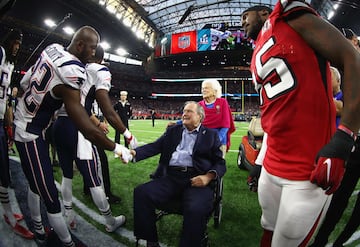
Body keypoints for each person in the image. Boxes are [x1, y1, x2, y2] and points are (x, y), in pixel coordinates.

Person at [242, 2, 360, 246]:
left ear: (264, 13)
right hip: (273, 159)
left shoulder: (287, 16)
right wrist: (261, 162)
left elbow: (352, 58)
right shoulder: (256, 51)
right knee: (268, 228)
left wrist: (346, 134)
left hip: (307, 167)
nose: (242, 22)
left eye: (246, 16)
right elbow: (274, 114)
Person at [14, 26, 129, 246]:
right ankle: (66, 242)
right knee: (50, 197)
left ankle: (38, 228)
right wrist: (118, 147)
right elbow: (85, 126)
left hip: (36, 123)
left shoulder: (53, 48)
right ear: (80, 45)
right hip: (30, 133)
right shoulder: (73, 71)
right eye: (92, 48)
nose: (93, 53)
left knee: (35, 183)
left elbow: (24, 82)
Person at [54, 45, 135, 230]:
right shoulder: (99, 69)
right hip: (78, 126)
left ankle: (68, 215)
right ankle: (110, 221)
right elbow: (107, 108)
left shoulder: (73, 65)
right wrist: (126, 134)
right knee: (94, 178)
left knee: (67, 174)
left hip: (59, 124)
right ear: (100, 57)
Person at [129, 101, 226, 247]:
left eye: (189, 111)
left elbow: (220, 163)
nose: (184, 114)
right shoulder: (173, 131)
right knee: (141, 193)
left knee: (195, 208)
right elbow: (155, 146)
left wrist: (208, 177)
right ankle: (150, 241)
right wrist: (135, 153)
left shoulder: (210, 135)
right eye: (184, 111)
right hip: (172, 178)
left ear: (200, 117)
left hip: (196, 180)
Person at [309, 30, 360, 247]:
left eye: (351, 42)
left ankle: (340, 240)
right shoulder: (350, 71)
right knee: (339, 197)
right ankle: (321, 241)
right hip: (354, 143)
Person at [0, 28, 34, 240]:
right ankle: (10, 219)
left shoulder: (9, 64)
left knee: (4, 173)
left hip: (1, 122)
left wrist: (8, 122)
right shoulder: (1, 53)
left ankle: (6, 213)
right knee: (3, 173)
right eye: (16, 43)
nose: (17, 48)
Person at [199, 79, 235, 157]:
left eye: (206, 88)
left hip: (219, 141)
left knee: (217, 166)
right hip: (203, 140)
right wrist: (177, 123)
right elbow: (191, 119)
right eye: (203, 88)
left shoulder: (222, 102)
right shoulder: (199, 105)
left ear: (215, 91)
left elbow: (226, 124)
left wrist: (217, 139)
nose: (203, 90)